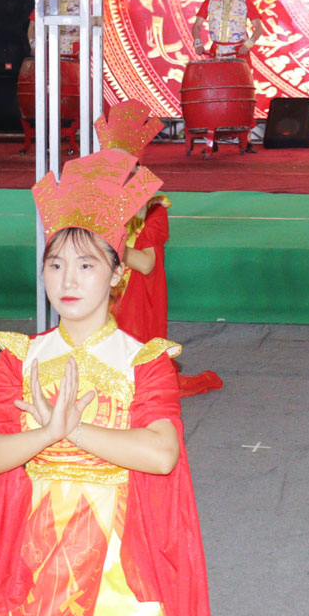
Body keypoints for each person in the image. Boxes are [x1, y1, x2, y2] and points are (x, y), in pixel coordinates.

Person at [0, 147, 257, 616]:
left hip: (116, 550)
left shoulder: (145, 362)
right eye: (55, 264)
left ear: (116, 274)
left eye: (86, 265)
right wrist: (46, 435)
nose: (67, 281)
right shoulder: (21, 358)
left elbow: (161, 454)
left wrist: (75, 432)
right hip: (31, 550)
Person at [95, 100, 223, 396]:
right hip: (99, 296)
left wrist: (105, 242)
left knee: (134, 383)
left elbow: (146, 263)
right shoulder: (97, 204)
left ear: (136, 170)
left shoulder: (153, 209)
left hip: (134, 301)